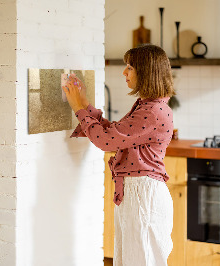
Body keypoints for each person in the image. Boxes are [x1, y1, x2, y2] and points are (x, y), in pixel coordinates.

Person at [63, 44, 175, 266]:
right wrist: (85, 104)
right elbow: (114, 133)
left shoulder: (152, 111)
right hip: (138, 193)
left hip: (143, 195)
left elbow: (106, 141)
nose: (124, 72)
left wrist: (78, 107)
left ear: (146, 72)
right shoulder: (148, 106)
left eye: (130, 67)